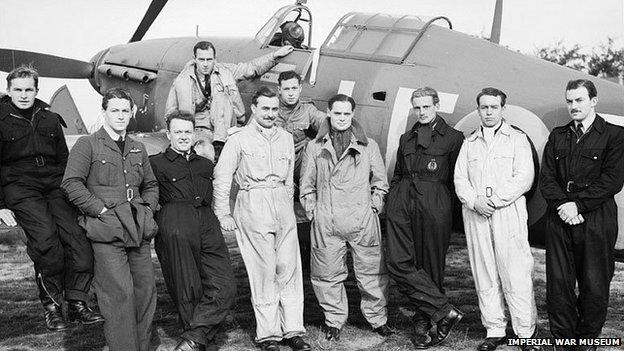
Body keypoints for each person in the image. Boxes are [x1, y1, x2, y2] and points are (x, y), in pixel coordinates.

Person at [0, 65, 103, 331]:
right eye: (18, 90)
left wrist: (74, 191)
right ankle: (53, 308)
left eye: (28, 90)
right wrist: (0, 206)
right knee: (47, 243)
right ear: (9, 91)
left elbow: (66, 161)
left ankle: (78, 304)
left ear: (36, 90)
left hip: (55, 184)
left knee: (79, 240)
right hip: (20, 186)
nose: (23, 95)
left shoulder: (50, 119)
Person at [213, 86, 310, 351]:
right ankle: (268, 334)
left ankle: (293, 330)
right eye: (264, 108)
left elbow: (290, 179)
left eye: (274, 109)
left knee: (289, 267)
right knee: (264, 270)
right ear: (253, 108)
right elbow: (222, 178)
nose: (270, 114)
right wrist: (223, 213)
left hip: (281, 202)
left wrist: (288, 207)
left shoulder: (286, 138)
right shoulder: (238, 139)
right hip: (253, 203)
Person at [62, 88, 159, 351]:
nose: (120, 115)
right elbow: (71, 183)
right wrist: (100, 211)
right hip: (106, 230)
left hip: (137, 226)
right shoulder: (88, 144)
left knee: (145, 292)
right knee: (119, 295)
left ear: (132, 113)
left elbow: (150, 184)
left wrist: (147, 209)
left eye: (125, 110)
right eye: (114, 110)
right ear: (104, 112)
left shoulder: (138, 147)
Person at [299, 94, 392, 341]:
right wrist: (314, 212)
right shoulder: (315, 147)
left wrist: (373, 207)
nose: (342, 118)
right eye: (337, 113)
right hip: (327, 221)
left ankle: (377, 320)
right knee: (326, 275)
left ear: (352, 114)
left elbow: (380, 183)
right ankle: (334, 320)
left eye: (346, 114)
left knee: (373, 273)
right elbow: (306, 186)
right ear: (328, 113)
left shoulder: (368, 145)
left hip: (362, 220)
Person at [540, 79, 624, 348]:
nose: (573, 106)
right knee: (558, 285)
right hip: (560, 216)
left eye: (579, 100)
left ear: (593, 101)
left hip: (596, 217)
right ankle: (563, 341)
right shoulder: (558, 135)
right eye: (569, 101)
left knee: (595, 284)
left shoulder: (615, 135)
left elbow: (612, 180)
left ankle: (586, 340)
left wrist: (579, 205)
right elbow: (547, 179)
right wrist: (564, 206)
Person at [454, 88, 539, 351]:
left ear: (503, 109)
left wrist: (495, 200)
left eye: (494, 107)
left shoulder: (516, 139)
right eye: (484, 108)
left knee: (515, 272)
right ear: (478, 110)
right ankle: (495, 329)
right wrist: (474, 201)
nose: (489, 112)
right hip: (476, 213)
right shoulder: (469, 143)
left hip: (506, 212)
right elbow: (460, 178)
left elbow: (524, 177)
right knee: (485, 272)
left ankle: (525, 332)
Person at [385, 87, 464, 348]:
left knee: (430, 266)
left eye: (426, 107)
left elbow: (457, 179)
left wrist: (446, 210)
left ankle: (424, 324)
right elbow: (398, 173)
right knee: (398, 262)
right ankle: (444, 311)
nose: (421, 112)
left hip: (435, 202)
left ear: (436, 105)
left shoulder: (454, 138)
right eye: (417, 107)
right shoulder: (407, 138)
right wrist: (394, 197)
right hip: (403, 199)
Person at [150, 111, 236, 351]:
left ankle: (194, 337)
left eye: (187, 132)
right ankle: (195, 341)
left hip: (207, 220)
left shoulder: (205, 164)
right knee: (187, 287)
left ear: (194, 133)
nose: (183, 136)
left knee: (225, 285)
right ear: (168, 134)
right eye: (177, 132)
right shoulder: (155, 163)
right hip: (175, 220)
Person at [166, 41, 294, 158]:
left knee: (221, 96)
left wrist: (274, 56)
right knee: (204, 152)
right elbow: (170, 111)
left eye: (209, 59)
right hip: (200, 129)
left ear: (215, 59)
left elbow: (250, 68)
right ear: (195, 60)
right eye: (201, 60)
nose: (205, 64)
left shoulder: (225, 71)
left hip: (227, 126)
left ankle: (220, 145)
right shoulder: (181, 80)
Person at [276, 70, 326, 183]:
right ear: (279, 90)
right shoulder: (269, 107)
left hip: (297, 160)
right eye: (286, 89)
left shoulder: (307, 109)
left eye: (294, 88)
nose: (291, 93)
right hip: (273, 159)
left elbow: (323, 121)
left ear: (300, 88)